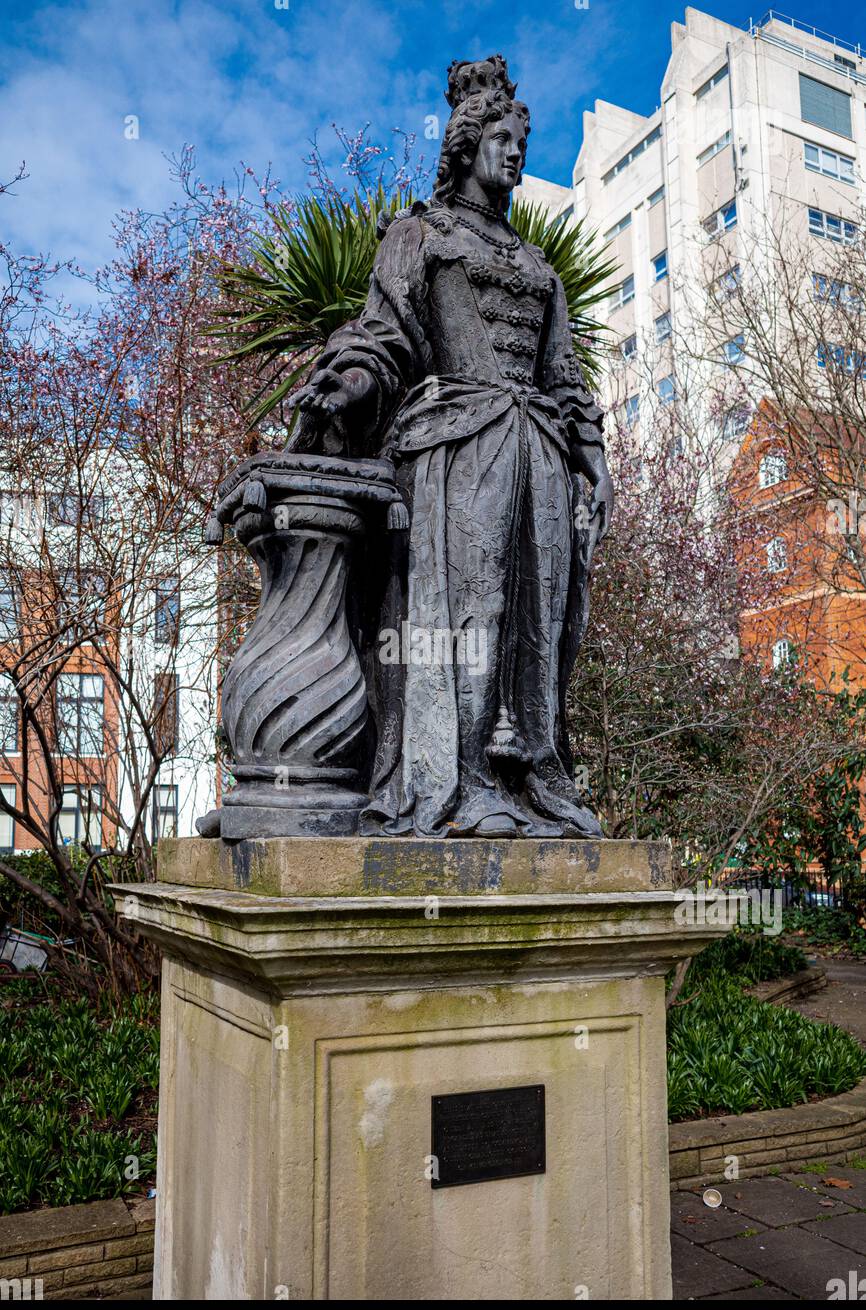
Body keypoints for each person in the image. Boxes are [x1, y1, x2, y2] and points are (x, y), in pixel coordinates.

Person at [288, 55, 613, 838]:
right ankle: (457, 785)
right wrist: (353, 382)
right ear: (467, 145)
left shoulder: (538, 267)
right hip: (456, 451)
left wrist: (591, 459)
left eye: (521, 144)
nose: (515, 155)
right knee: (468, 614)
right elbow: (385, 334)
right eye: (502, 139)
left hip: (537, 452)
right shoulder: (418, 235)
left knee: (535, 624)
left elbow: (564, 375)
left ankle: (533, 780)